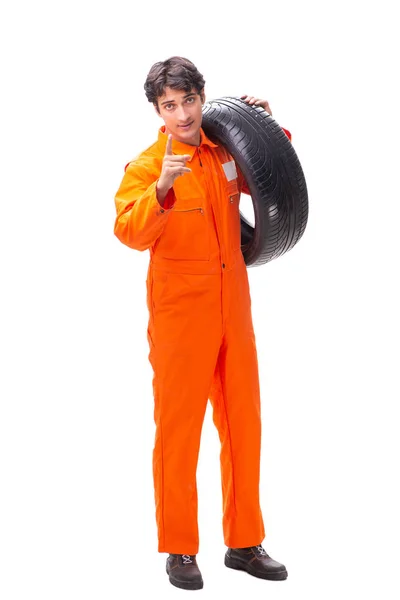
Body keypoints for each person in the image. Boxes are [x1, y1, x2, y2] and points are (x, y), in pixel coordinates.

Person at [114, 56, 291, 591]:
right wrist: (163, 187)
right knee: (179, 432)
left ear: (201, 96)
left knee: (244, 422)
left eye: (190, 99)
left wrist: (266, 128)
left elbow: (271, 176)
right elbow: (128, 230)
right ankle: (180, 549)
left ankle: (243, 543)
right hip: (179, 316)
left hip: (232, 306)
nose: (184, 113)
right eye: (170, 105)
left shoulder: (223, 150)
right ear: (157, 111)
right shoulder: (147, 166)